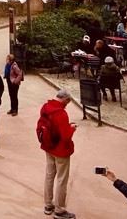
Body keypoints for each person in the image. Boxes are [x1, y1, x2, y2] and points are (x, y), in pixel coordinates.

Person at [39, 87, 77, 219]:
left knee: (49, 175)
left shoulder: (45, 107)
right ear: (65, 99)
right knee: (62, 179)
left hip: (48, 147)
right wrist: (72, 128)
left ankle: (48, 204)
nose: (67, 105)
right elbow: (65, 136)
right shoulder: (61, 113)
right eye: (68, 102)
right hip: (60, 150)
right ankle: (60, 210)